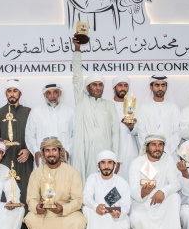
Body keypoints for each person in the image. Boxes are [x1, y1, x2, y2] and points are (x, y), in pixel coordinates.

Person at [23, 137, 87, 229]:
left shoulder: (72, 172)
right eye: (47, 150)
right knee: (30, 218)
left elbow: (78, 200)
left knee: (79, 220)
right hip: (45, 211)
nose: (51, 154)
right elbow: (31, 199)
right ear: (43, 153)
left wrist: (63, 208)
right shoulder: (36, 173)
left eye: (54, 150)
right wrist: (37, 208)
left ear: (60, 152)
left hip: (65, 211)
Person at [70, 39, 119, 178]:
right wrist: (77, 50)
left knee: (103, 183)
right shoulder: (82, 100)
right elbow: (77, 77)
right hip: (84, 152)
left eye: (100, 84)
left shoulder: (110, 105)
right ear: (87, 87)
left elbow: (115, 133)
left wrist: (116, 157)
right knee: (83, 181)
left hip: (104, 152)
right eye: (94, 84)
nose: (98, 87)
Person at [128, 133, 184, 229]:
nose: (157, 148)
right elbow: (133, 190)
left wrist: (163, 191)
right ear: (147, 147)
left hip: (161, 202)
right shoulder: (137, 163)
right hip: (143, 204)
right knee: (138, 220)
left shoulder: (167, 159)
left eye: (160, 145)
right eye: (153, 144)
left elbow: (176, 183)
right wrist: (143, 192)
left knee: (175, 197)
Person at [0, 79, 33, 208]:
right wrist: (2, 143)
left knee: (25, 189)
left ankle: (25, 220)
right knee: (5, 189)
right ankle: (4, 218)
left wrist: (29, 150)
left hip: (24, 159)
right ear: (6, 94)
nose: (12, 94)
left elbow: (36, 135)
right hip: (5, 159)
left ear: (20, 93)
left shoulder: (29, 112)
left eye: (15, 91)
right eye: (9, 91)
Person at [82, 150, 131, 229]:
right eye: (103, 163)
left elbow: (126, 206)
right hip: (96, 215)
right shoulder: (93, 178)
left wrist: (118, 214)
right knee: (87, 209)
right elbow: (86, 197)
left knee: (123, 222)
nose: (106, 166)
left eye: (109, 162)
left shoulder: (122, 183)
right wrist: (96, 206)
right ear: (98, 165)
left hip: (114, 217)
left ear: (115, 165)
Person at [26, 83, 74, 166]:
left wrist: (68, 151)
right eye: (49, 93)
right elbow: (29, 135)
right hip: (42, 158)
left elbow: (75, 135)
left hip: (63, 157)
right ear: (44, 95)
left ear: (60, 93)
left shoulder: (70, 112)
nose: (52, 96)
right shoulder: (36, 112)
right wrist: (36, 151)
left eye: (55, 92)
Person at [137, 76, 181, 156]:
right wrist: (152, 149)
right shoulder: (143, 108)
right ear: (151, 87)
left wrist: (166, 150)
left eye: (163, 85)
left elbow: (177, 132)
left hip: (170, 153)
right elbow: (141, 132)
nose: (160, 88)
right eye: (157, 85)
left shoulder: (174, 108)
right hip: (149, 153)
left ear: (166, 87)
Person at [112, 75, 139, 180]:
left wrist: (132, 127)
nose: (123, 88)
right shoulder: (107, 106)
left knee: (130, 179)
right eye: (120, 85)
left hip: (130, 148)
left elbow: (140, 130)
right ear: (114, 88)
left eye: (125, 85)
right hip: (112, 148)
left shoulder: (134, 106)